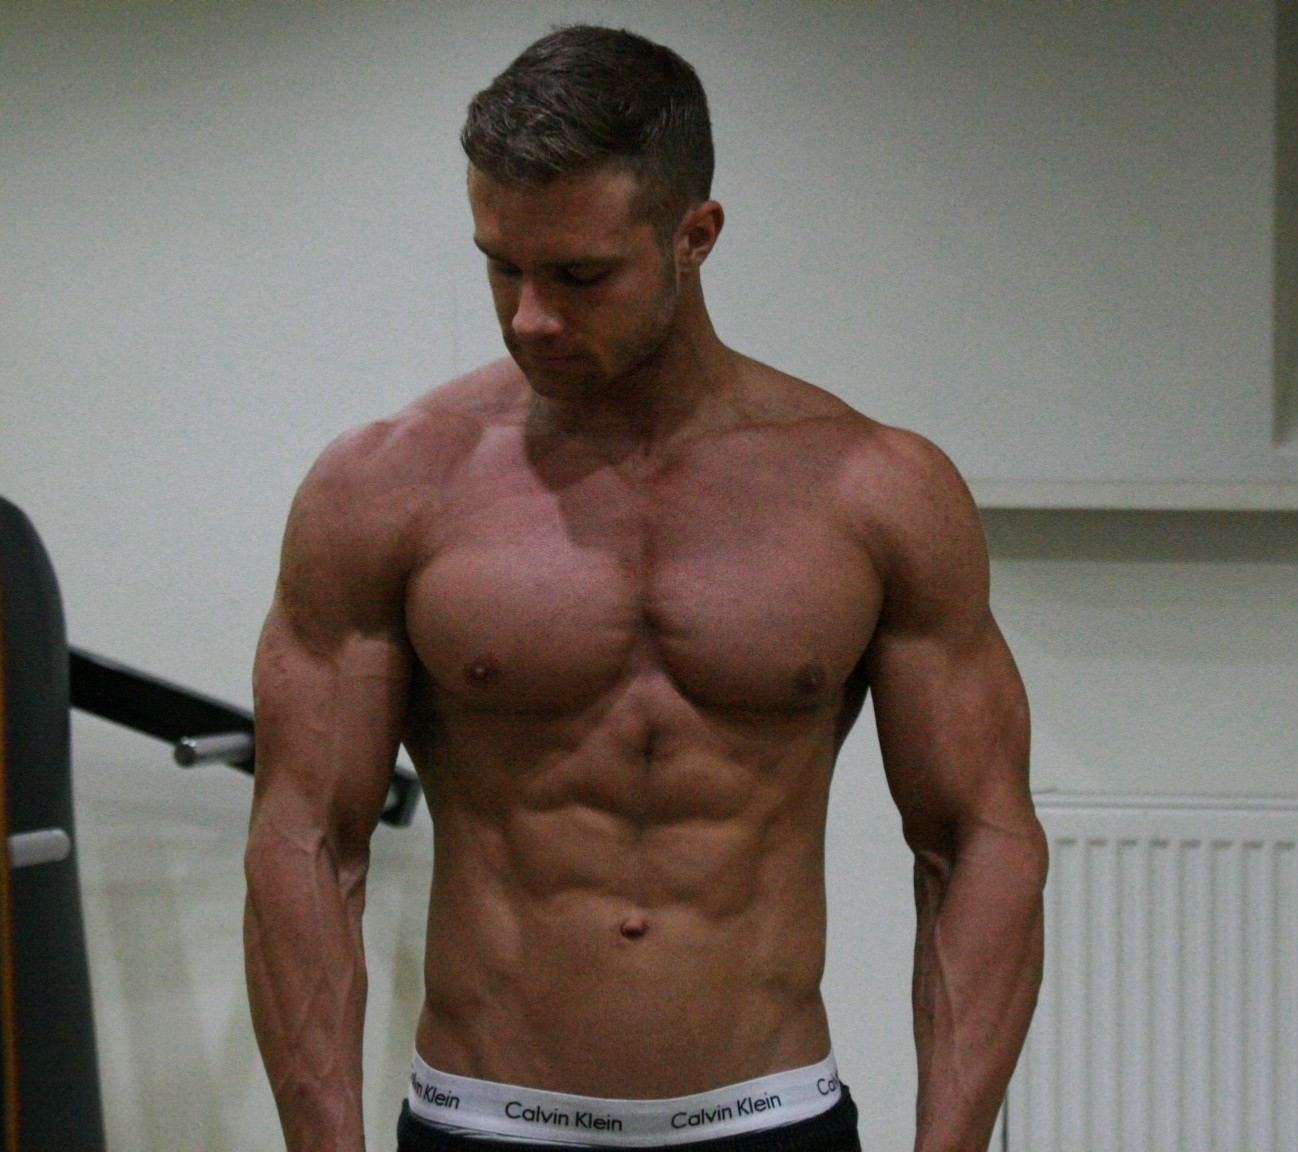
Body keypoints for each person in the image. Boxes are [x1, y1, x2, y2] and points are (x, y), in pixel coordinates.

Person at [243, 24, 1047, 1152]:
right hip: (487, 1119)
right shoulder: (386, 486)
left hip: (770, 1118)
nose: (530, 316)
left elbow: (978, 839)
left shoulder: (875, 488)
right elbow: (307, 841)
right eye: (501, 265)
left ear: (694, 236)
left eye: (580, 276)